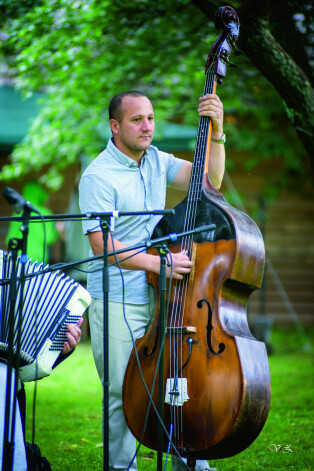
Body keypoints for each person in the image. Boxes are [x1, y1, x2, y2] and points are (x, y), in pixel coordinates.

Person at [79, 90, 225, 471]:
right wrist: (159, 264)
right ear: (115, 126)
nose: (147, 127)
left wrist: (219, 132)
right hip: (116, 299)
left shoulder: (157, 160)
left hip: (163, 295)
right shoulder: (97, 176)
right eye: (136, 120)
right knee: (120, 392)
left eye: (150, 118)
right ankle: (122, 468)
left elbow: (210, 182)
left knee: (178, 384)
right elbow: (102, 246)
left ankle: (192, 464)